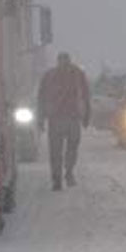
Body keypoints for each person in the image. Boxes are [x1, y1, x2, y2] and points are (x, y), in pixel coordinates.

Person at [37, 53, 91, 191]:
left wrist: (41, 119)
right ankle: (67, 173)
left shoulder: (49, 75)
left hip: (56, 119)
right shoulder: (78, 74)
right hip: (71, 118)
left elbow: (41, 99)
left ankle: (58, 178)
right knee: (70, 148)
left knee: (56, 151)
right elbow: (86, 96)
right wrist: (86, 117)